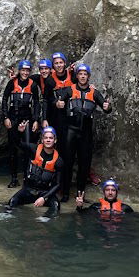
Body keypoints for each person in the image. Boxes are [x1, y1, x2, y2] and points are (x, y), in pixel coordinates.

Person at [62, 63, 111, 202]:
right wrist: (58, 103)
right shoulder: (69, 90)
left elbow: (106, 107)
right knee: (68, 163)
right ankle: (65, 194)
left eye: (85, 74)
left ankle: (80, 194)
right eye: (80, 74)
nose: (82, 76)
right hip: (71, 132)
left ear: (88, 77)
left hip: (86, 134)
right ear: (77, 76)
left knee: (84, 165)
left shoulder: (94, 92)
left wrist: (108, 107)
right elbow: (55, 100)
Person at [6, 126, 63, 216]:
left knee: (56, 206)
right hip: (29, 190)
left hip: (44, 192)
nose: (48, 140)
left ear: (55, 140)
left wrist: (44, 198)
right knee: (12, 202)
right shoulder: (33, 149)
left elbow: (58, 184)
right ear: (42, 140)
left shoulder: (58, 161)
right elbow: (17, 143)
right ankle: (7, 217)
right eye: (46, 138)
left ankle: (45, 221)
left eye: (51, 138)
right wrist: (19, 132)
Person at [1, 59, 40, 188]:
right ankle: (13, 178)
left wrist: (35, 120)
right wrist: (5, 117)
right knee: (12, 149)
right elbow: (5, 99)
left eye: (27, 70)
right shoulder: (12, 83)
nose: (25, 72)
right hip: (13, 118)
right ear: (19, 71)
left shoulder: (33, 85)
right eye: (23, 70)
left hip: (27, 118)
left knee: (27, 148)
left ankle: (26, 177)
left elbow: (36, 104)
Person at [43, 51, 74, 155]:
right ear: (53, 66)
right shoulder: (50, 80)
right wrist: (45, 118)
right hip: (57, 116)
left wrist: (90, 85)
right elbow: (46, 99)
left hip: (71, 115)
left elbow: (82, 85)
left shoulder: (72, 75)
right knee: (59, 143)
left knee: (70, 143)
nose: (59, 65)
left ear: (65, 63)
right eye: (56, 63)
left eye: (61, 62)